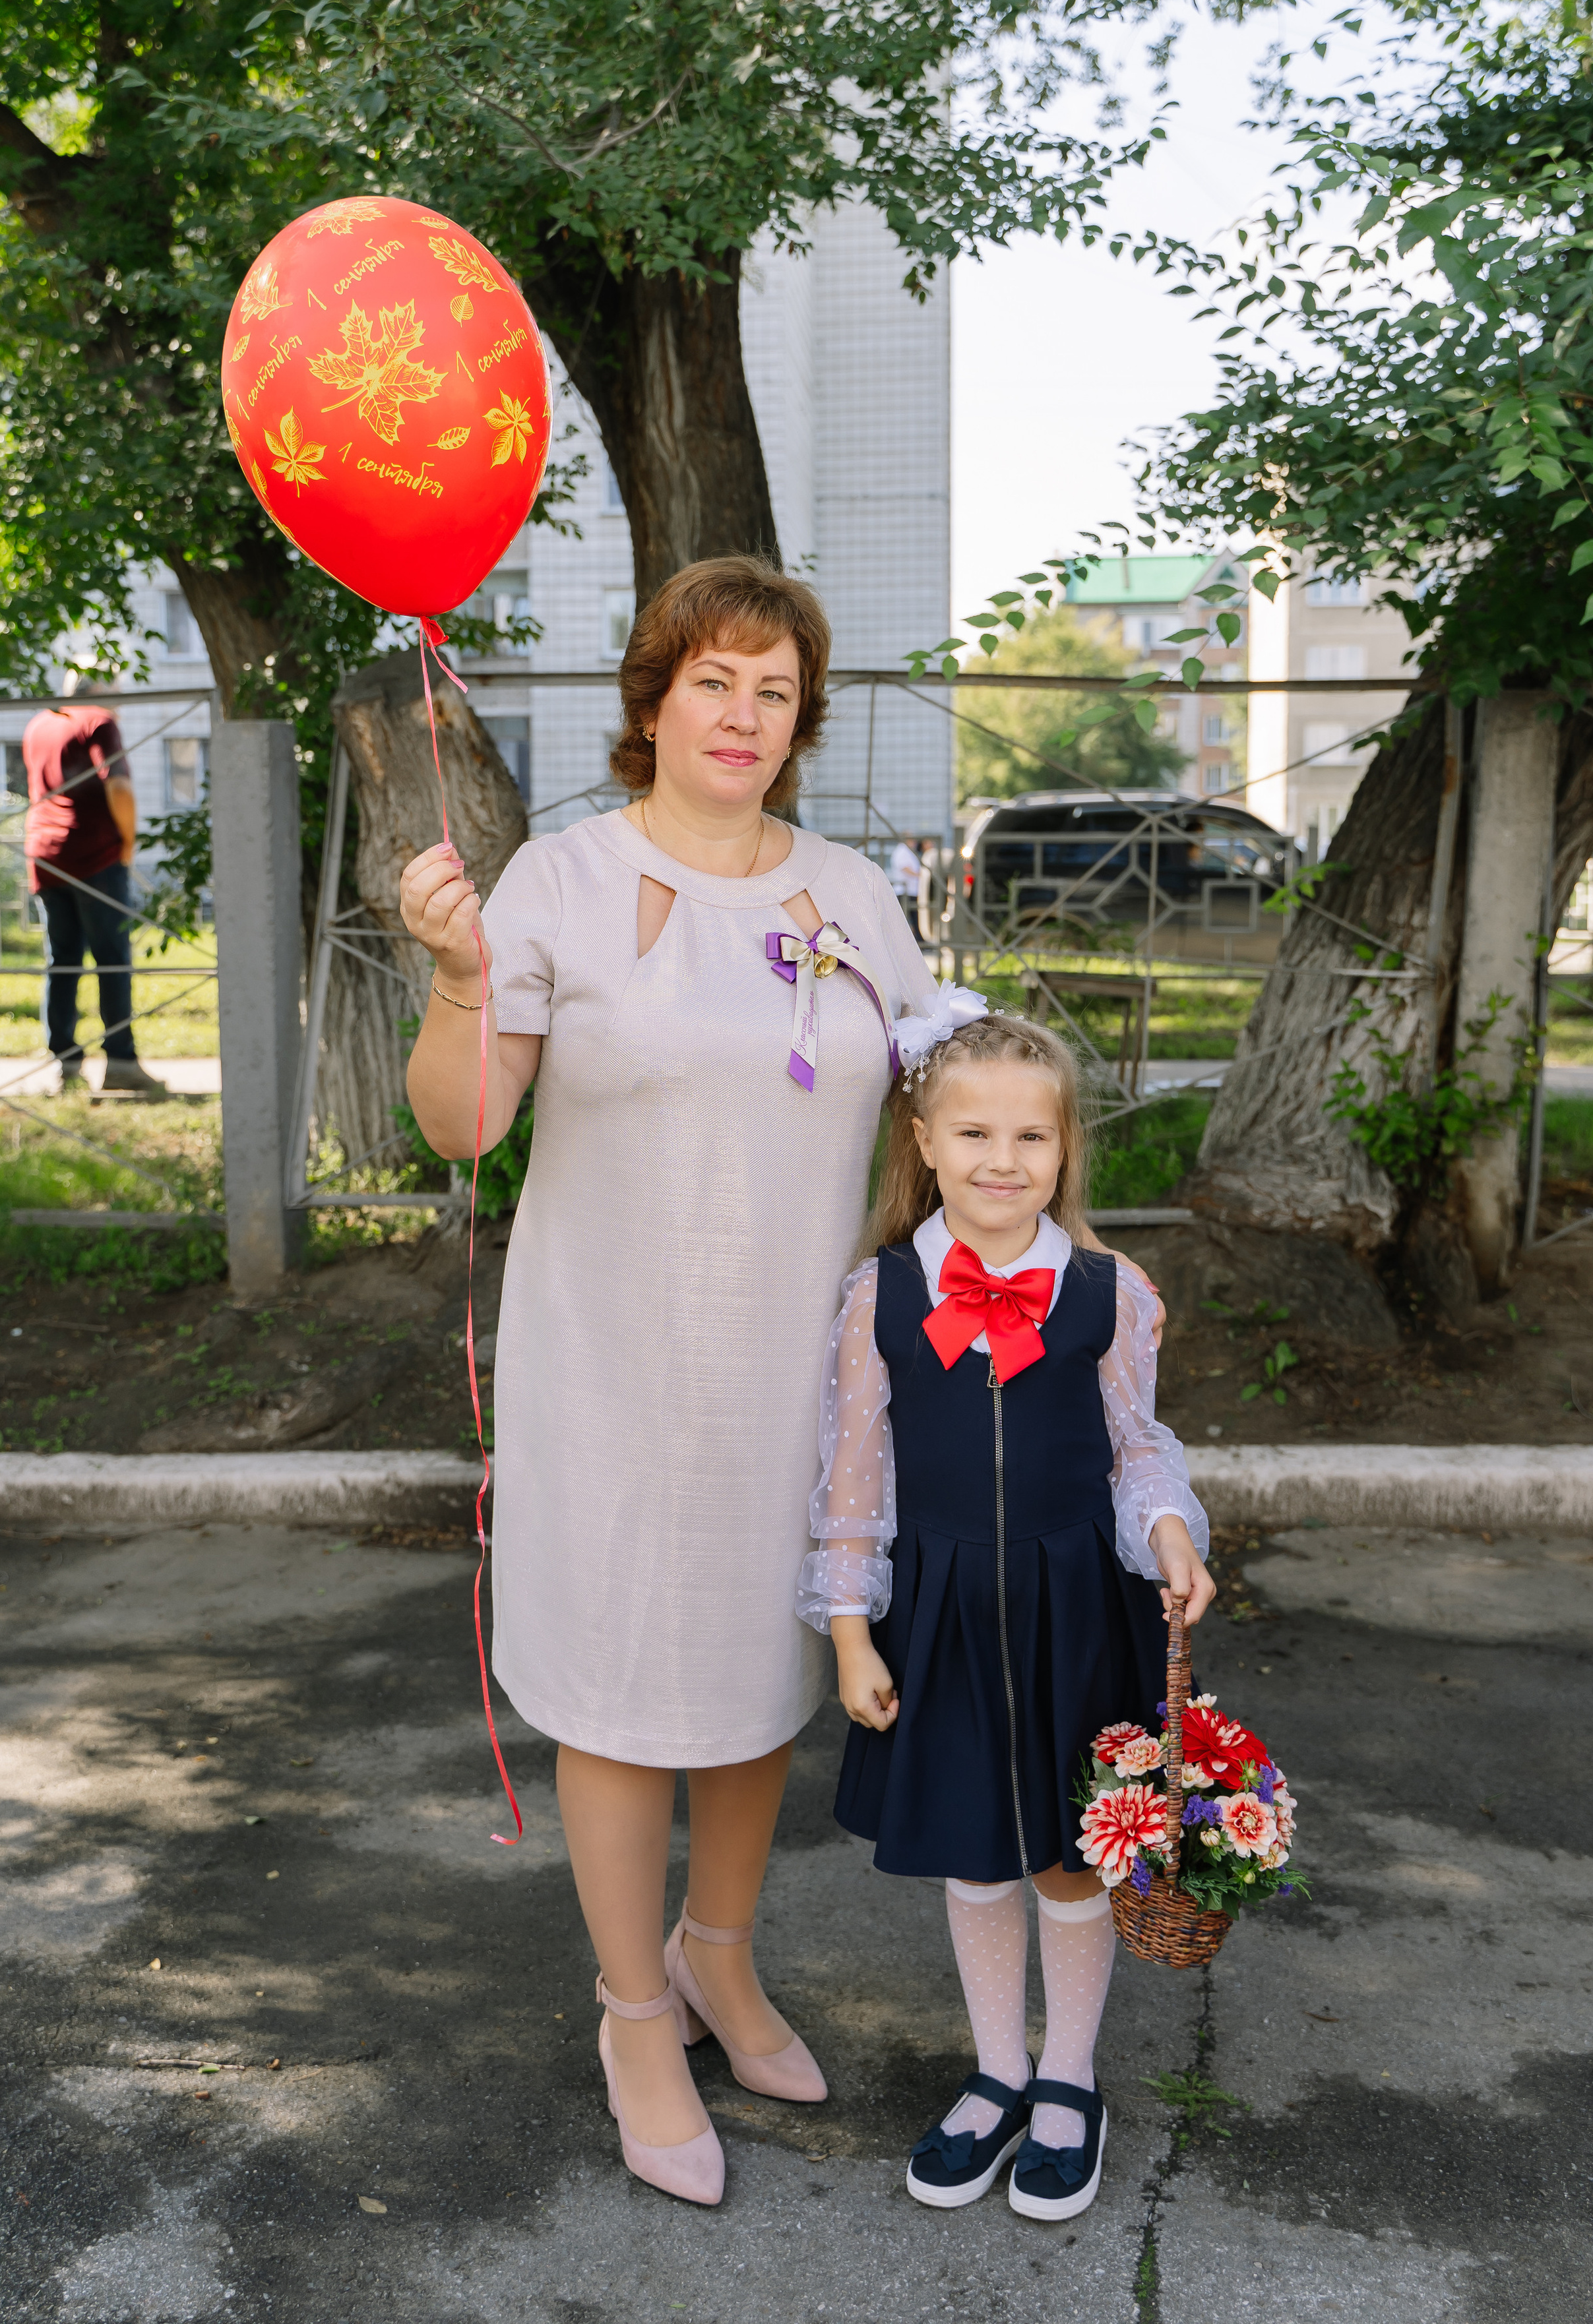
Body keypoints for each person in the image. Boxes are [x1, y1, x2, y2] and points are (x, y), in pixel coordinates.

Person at [397, 556, 1164, 2212]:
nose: (742, 714)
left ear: (797, 719)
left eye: (774, 689)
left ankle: (719, 1956)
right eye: (711, 681)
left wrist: (1047, 1293)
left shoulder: (849, 895)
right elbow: (462, 1124)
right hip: (609, 1362)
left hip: (801, 1376)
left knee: (756, 1674)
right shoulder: (554, 879)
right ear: (652, 699)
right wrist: (462, 979)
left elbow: (957, 1107)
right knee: (619, 1685)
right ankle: (629, 2016)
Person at [799, 1000, 1212, 2223]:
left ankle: (1071, 2077)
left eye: (1031, 1138)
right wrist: (849, 1631)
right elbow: (853, 1475)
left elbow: (1136, 1446)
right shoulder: (878, 1297)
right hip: (940, 1614)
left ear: (1065, 1149)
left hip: (1080, 1604)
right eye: (972, 1131)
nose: (1001, 1160)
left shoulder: (1107, 1290)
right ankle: (997, 2067)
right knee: (978, 1854)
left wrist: (1174, 1534)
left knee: (1073, 1853)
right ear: (922, 1139)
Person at [22, 683, 165, 1095]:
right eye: (116, 688)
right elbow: (118, 786)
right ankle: (120, 1062)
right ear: (99, 688)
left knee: (62, 960)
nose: (121, 698)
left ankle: (63, 1065)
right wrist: (127, 846)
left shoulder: (40, 724)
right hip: (95, 856)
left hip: (46, 855)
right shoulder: (99, 721)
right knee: (112, 959)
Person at [889, 833, 923, 936]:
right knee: (908, 919)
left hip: (911, 890)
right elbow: (904, 867)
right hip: (905, 891)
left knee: (915, 918)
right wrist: (919, 875)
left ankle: (919, 940)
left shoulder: (907, 851)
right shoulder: (902, 852)